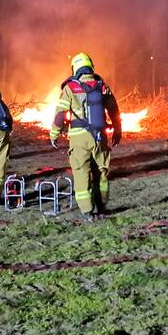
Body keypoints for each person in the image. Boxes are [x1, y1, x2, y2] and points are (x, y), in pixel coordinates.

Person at [49, 52, 121, 220]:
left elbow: (60, 114)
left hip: (79, 138)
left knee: (82, 173)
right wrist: (118, 130)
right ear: (91, 66)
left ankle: (88, 212)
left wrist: (54, 134)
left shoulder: (70, 88)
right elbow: (114, 110)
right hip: (100, 136)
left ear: (75, 68)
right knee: (101, 172)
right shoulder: (101, 85)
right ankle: (102, 206)